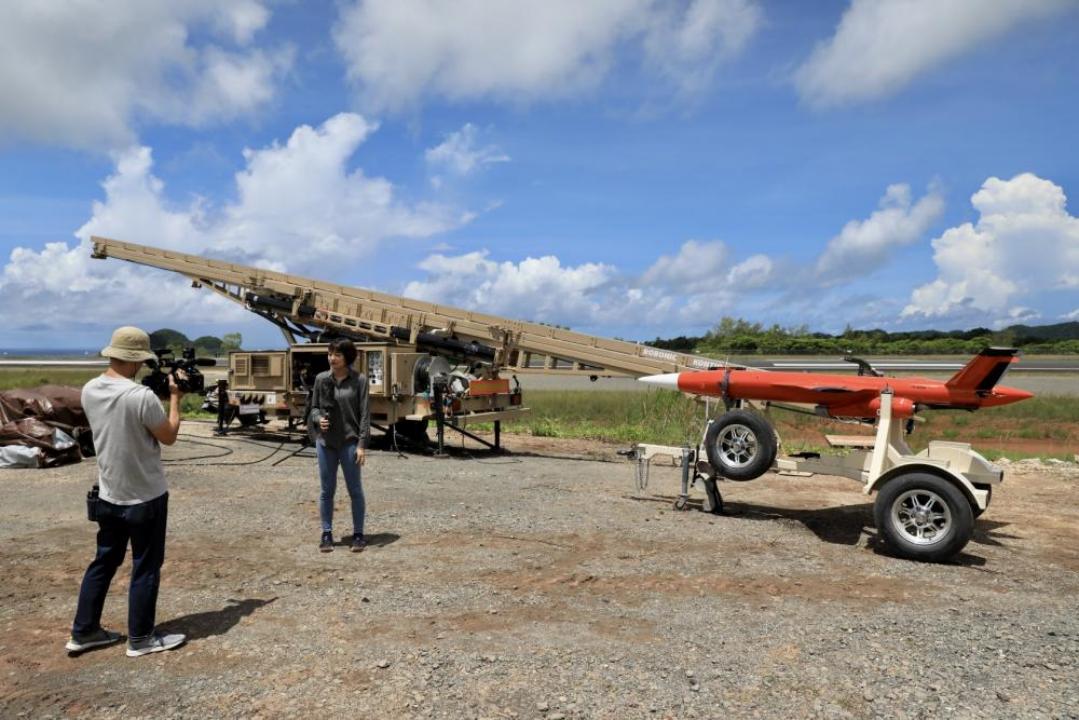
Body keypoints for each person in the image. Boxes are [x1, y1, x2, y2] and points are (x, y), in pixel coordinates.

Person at [66, 326, 187, 657]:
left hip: (108, 494)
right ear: (137, 360)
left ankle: (84, 631)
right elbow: (168, 435)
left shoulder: (90, 389)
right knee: (145, 566)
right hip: (145, 496)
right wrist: (175, 400)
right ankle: (142, 638)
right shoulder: (141, 397)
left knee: (104, 561)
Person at [307, 338, 371, 552]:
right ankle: (326, 533)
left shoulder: (359, 380)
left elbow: (364, 415)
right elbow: (313, 408)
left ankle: (358, 534)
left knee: (355, 490)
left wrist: (362, 444)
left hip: (349, 442)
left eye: (337, 355)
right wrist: (318, 420)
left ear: (347, 358)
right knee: (327, 490)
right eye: (330, 354)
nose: (332, 358)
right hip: (325, 443)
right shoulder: (321, 379)